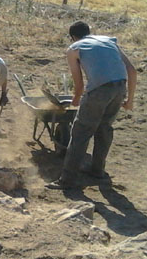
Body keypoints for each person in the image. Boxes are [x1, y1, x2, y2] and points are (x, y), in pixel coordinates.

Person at [46, 21, 137, 190]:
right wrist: (129, 100)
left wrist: (76, 100)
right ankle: (97, 170)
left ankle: (67, 180)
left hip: (99, 90)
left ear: (73, 37)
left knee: (81, 132)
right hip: (120, 88)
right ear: (89, 32)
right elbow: (132, 71)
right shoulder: (109, 41)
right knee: (104, 128)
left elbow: (79, 84)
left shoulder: (74, 48)